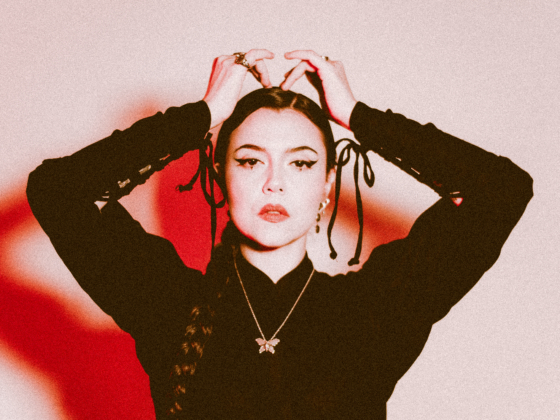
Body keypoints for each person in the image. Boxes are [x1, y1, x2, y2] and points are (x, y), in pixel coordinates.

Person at [26, 49, 533, 419]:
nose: (274, 182)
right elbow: (57, 190)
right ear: (220, 175)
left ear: (328, 183)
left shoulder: (376, 309)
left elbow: (502, 190)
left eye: (301, 163)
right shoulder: (168, 303)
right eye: (250, 161)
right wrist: (201, 116)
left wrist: (358, 117)